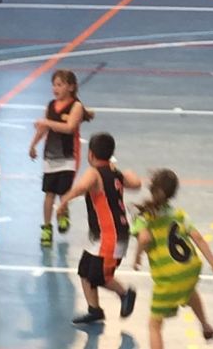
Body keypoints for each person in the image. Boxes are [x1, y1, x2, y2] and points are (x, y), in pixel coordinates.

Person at [132, 169, 213, 347]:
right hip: (190, 269)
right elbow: (198, 238)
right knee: (190, 292)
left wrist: (137, 258)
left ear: (151, 188)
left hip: (169, 277)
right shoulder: (179, 215)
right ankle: (205, 326)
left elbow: (144, 239)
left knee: (154, 325)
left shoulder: (143, 217)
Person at [57, 132, 140, 325]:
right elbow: (136, 183)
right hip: (105, 235)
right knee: (85, 270)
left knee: (99, 276)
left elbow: (82, 187)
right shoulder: (114, 172)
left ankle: (125, 293)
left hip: (110, 237)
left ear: (91, 154)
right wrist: (126, 174)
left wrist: (64, 202)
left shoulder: (94, 173)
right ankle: (94, 310)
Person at [29, 69, 94, 247]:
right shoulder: (51, 105)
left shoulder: (76, 106)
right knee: (48, 193)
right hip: (50, 156)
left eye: (59, 84)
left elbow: (69, 128)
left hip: (68, 157)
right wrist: (33, 144)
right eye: (54, 85)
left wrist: (47, 122)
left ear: (71, 87)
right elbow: (43, 129)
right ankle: (47, 227)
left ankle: (63, 213)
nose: (55, 88)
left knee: (63, 192)